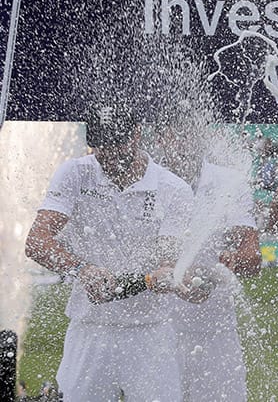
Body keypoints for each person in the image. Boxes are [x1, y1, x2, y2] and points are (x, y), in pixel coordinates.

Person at [24, 102, 200, 401]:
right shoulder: (75, 173)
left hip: (150, 332)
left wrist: (166, 274)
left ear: (136, 135)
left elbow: (168, 258)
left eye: (117, 143)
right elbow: (37, 241)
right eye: (100, 145)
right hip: (89, 328)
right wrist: (82, 270)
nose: (108, 153)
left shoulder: (173, 188)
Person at [156, 119, 262, 402]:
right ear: (162, 139)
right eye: (174, 134)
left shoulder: (229, 182)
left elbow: (252, 259)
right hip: (160, 329)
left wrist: (219, 269)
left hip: (216, 329)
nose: (182, 142)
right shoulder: (151, 182)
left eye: (189, 132)